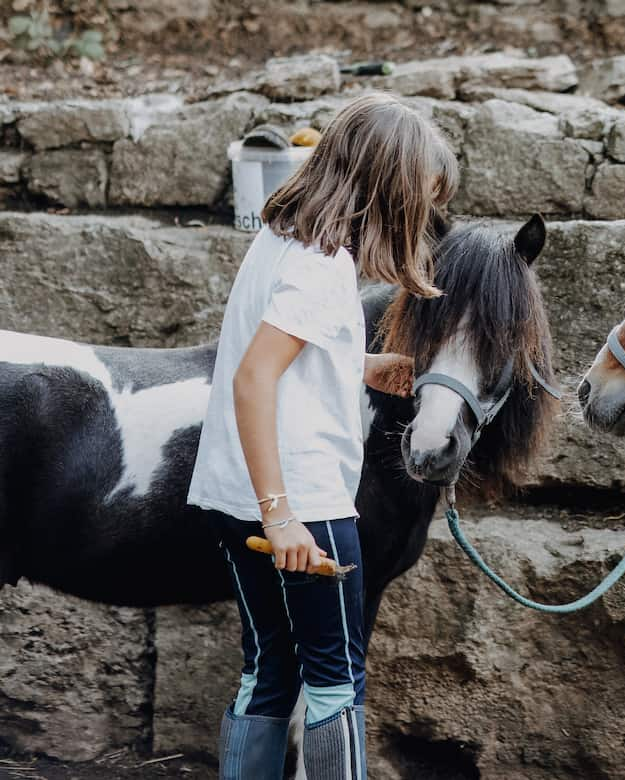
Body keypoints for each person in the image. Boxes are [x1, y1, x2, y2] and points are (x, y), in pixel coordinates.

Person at [187, 93, 458, 780]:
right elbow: (255, 379)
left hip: (231, 492)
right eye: (419, 201)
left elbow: (272, 358)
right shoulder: (323, 265)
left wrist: (357, 364)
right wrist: (283, 516)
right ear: (389, 188)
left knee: (269, 668)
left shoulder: (283, 238)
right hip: (302, 505)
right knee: (336, 681)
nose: (421, 219)